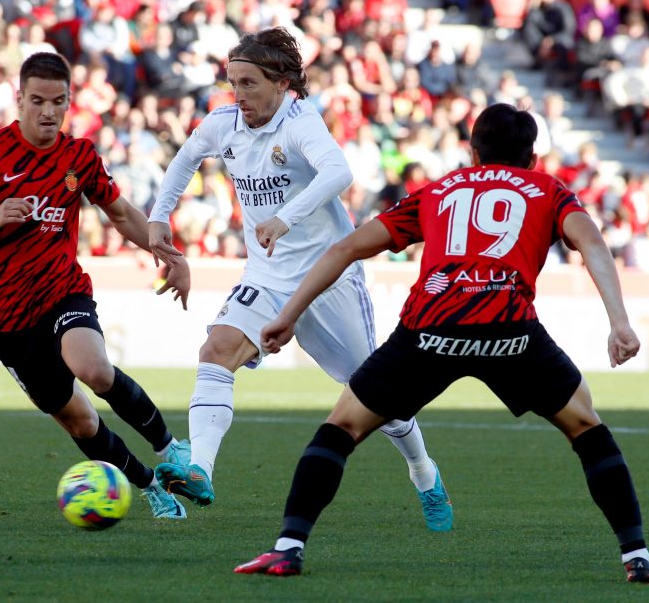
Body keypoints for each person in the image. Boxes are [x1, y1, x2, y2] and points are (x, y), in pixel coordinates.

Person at [235, 103, 649, 585]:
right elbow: (592, 244)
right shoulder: (548, 189)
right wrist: (619, 322)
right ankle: (637, 556)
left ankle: (288, 547)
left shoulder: (440, 190)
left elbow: (347, 248)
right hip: (510, 333)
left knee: (342, 427)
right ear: (533, 157)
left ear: (473, 150)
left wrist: (288, 315)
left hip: (429, 331)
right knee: (586, 427)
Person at [148, 27, 452, 531]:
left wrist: (284, 218)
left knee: (376, 395)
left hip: (329, 277)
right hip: (267, 277)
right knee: (217, 348)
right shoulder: (225, 124)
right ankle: (199, 467)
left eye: (249, 84)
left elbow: (339, 173)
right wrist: (160, 215)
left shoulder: (300, 121)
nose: (238, 96)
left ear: (283, 83)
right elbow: (185, 159)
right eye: (233, 84)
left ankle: (424, 472)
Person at [0, 52, 191, 521]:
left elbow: (122, 214)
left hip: (62, 291)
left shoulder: (80, 156)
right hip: (7, 320)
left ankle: (172, 448)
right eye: (37, 101)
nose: (48, 112)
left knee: (92, 367)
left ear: (69, 101)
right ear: (19, 100)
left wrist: (166, 252)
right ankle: (150, 485)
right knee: (80, 420)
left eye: (58, 101)